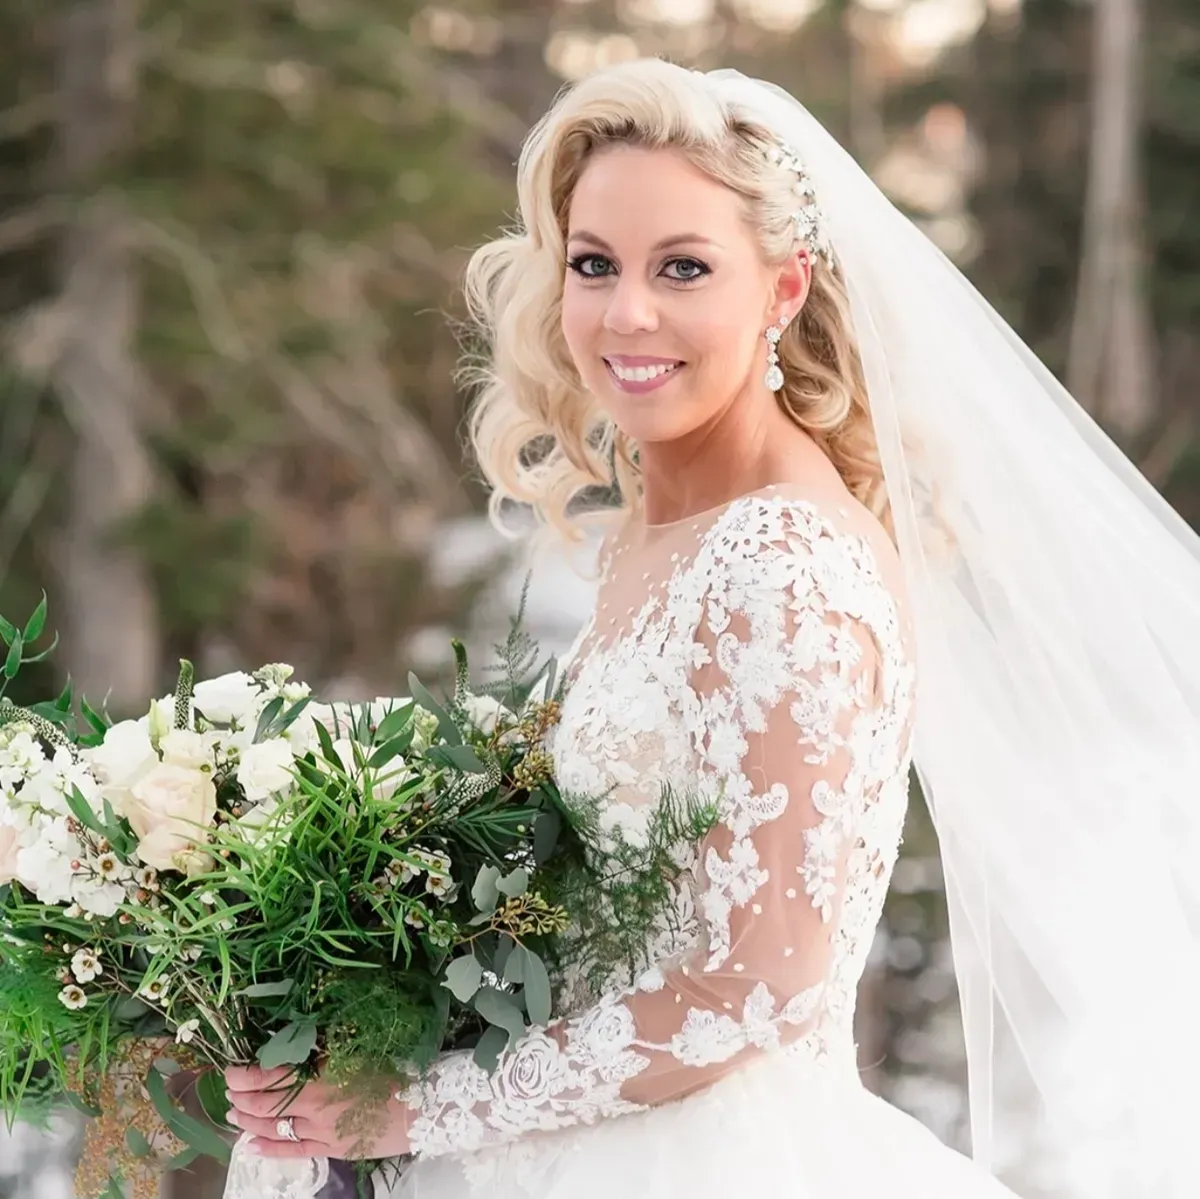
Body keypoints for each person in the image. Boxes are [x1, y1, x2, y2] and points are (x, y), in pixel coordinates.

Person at [224, 59, 1200, 1199]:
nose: (625, 312)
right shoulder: (667, 528)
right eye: (594, 265)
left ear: (782, 290)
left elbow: (763, 981)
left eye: (682, 267)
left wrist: (415, 1103)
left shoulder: (789, 567)